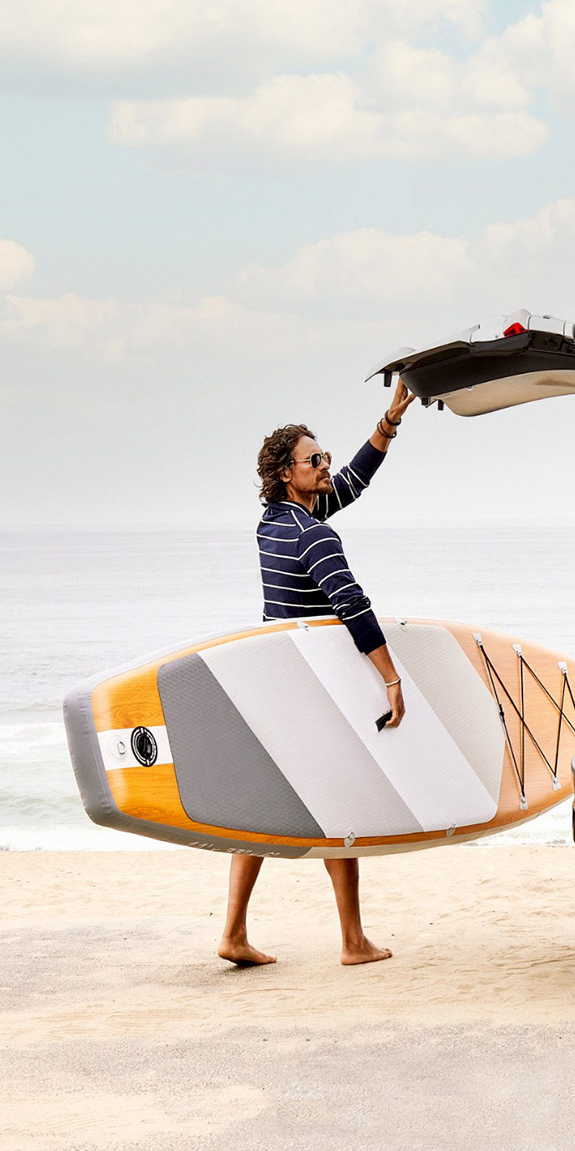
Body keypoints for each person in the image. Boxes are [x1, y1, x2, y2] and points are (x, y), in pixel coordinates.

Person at [217, 380, 419, 967]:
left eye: (324, 456)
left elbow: (352, 482)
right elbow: (353, 606)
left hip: (272, 681)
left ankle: (233, 933)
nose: (325, 466)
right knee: (341, 801)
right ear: (288, 473)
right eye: (314, 461)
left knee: (261, 808)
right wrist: (391, 679)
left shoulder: (273, 523)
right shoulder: (314, 535)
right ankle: (353, 942)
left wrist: (388, 423)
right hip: (311, 688)